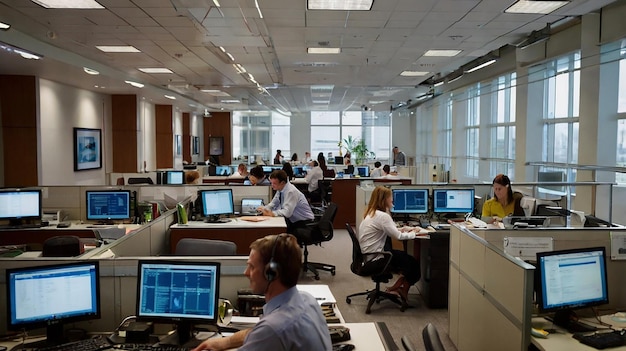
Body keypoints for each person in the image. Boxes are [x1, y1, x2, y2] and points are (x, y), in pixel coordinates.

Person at [191, 234, 332, 351]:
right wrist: (224, 342)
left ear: (271, 273)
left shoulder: (273, 328)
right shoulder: (307, 300)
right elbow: (256, 333)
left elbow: (266, 332)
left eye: (252, 267)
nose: (246, 273)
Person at [358, 186, 421, 302]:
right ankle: (403, 289)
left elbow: (391, 231)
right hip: (379, 257)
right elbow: (398, 236)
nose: (392, 199)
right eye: (390, 197)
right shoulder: (383, 216)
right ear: (384, 199)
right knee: (413, 264)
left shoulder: (371, 213)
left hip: (369, 256)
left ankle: (398, 285)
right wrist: (414, 233)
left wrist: (402, 229)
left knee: (407, 260)